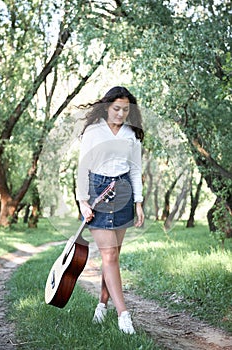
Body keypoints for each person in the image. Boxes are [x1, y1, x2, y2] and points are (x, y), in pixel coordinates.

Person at [76, 86, 145, 334]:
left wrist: (138, 202)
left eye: (126, 109)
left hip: (124, 191)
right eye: (117, 108)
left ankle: (101, 305)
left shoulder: (131, 134)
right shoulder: (93, 132)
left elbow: (135, 169)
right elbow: (83, 168)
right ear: (107, 107)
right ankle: (123, 315)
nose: (121, 114)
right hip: (98, 191)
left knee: (113, 255)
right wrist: (82, 201)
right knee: (109, 256)